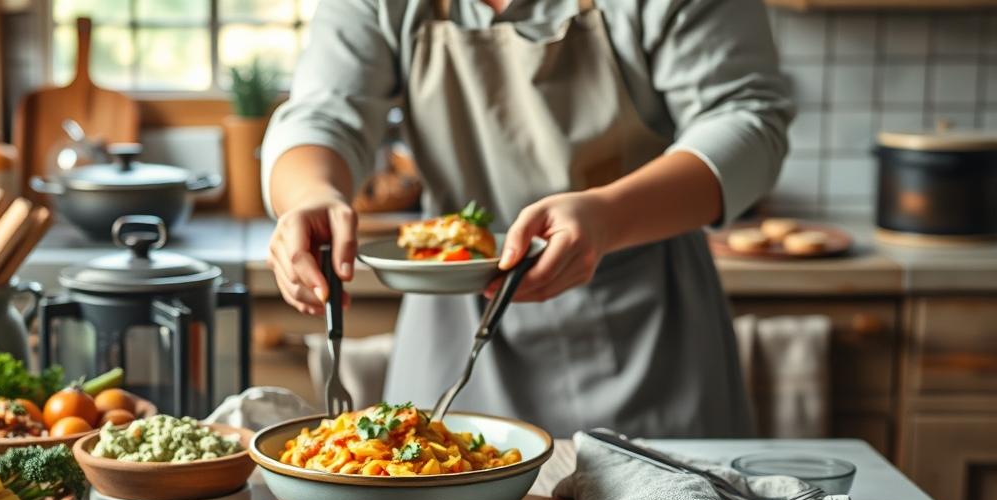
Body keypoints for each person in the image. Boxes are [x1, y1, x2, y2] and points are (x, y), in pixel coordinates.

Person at [260, 0, 793, 437]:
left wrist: (608, 216)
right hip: (452, 313)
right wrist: (310, 195)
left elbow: (747, 120)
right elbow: (323, 114)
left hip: (648, 322)